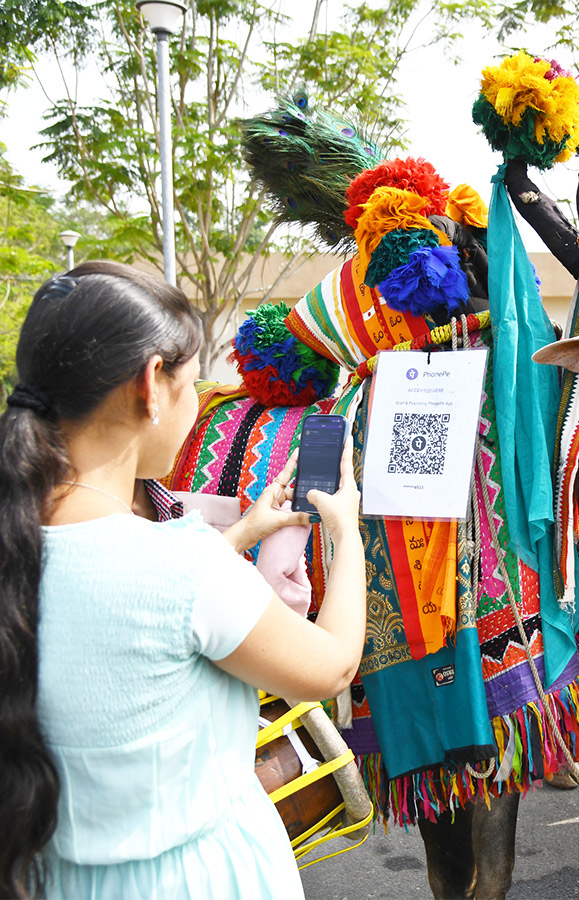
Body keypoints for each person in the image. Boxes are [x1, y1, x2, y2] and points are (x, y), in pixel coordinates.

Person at [0, 261, 367, 900]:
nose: (198, 403)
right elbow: (332, 666)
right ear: (151, 384)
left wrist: (246, 532)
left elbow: (138, 600)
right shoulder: (183, 564)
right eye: (194, 382)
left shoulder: (24, 541)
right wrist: (348, 532)